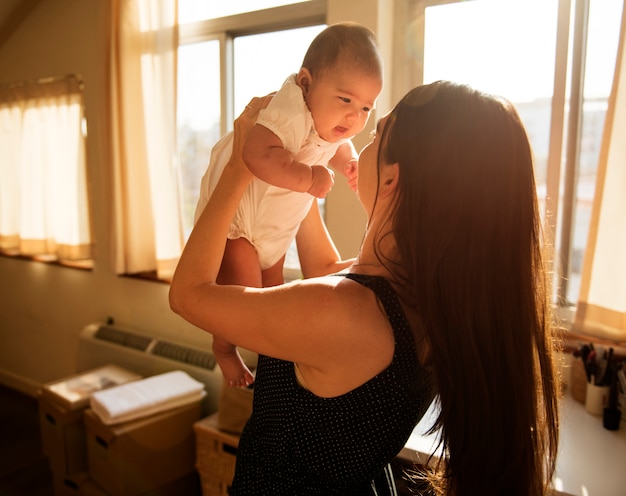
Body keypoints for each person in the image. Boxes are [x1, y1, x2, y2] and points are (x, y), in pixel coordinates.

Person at [170, 80, 560, 495]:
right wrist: (296, 160)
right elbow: (322, 267)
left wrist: (239, 166)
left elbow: (188, 294)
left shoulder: (340, 312)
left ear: (393, 179)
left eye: (376, 134)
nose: (360, 141)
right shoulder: (418, 297)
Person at [193, 22, 383, 387]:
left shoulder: (327, 122)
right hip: (242, 224)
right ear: (307, 83)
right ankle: (223, 348)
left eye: (365, 108)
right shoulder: (289, 110)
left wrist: (349, 163)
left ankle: (271, 375)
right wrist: (309, 178)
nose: (353, 117)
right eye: (345, 100)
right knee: (244, 304)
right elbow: (256, 154)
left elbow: (338, 147)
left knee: (274, 299)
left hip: (275, 227)